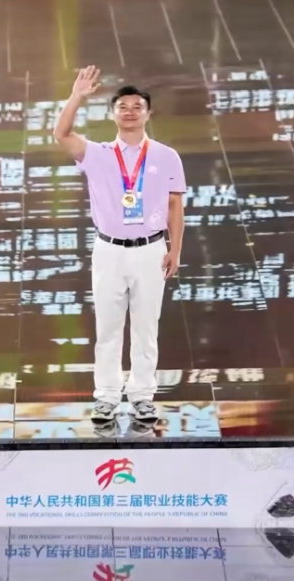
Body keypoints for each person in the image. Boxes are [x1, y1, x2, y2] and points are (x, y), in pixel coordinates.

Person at [52, 66, 186, 423]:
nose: (129, 111)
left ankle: (142, 396)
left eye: (137, 106)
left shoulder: (166, 156)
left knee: (146, 327)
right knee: (108, 328)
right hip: (109, 250)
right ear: (112, 113)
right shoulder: (96, 153)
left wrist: (175, 249)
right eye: (122, 106)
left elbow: (175, 205)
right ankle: (107, 397)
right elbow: (61, 133)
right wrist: (77, 96)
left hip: (151, 249)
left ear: (148, 113)